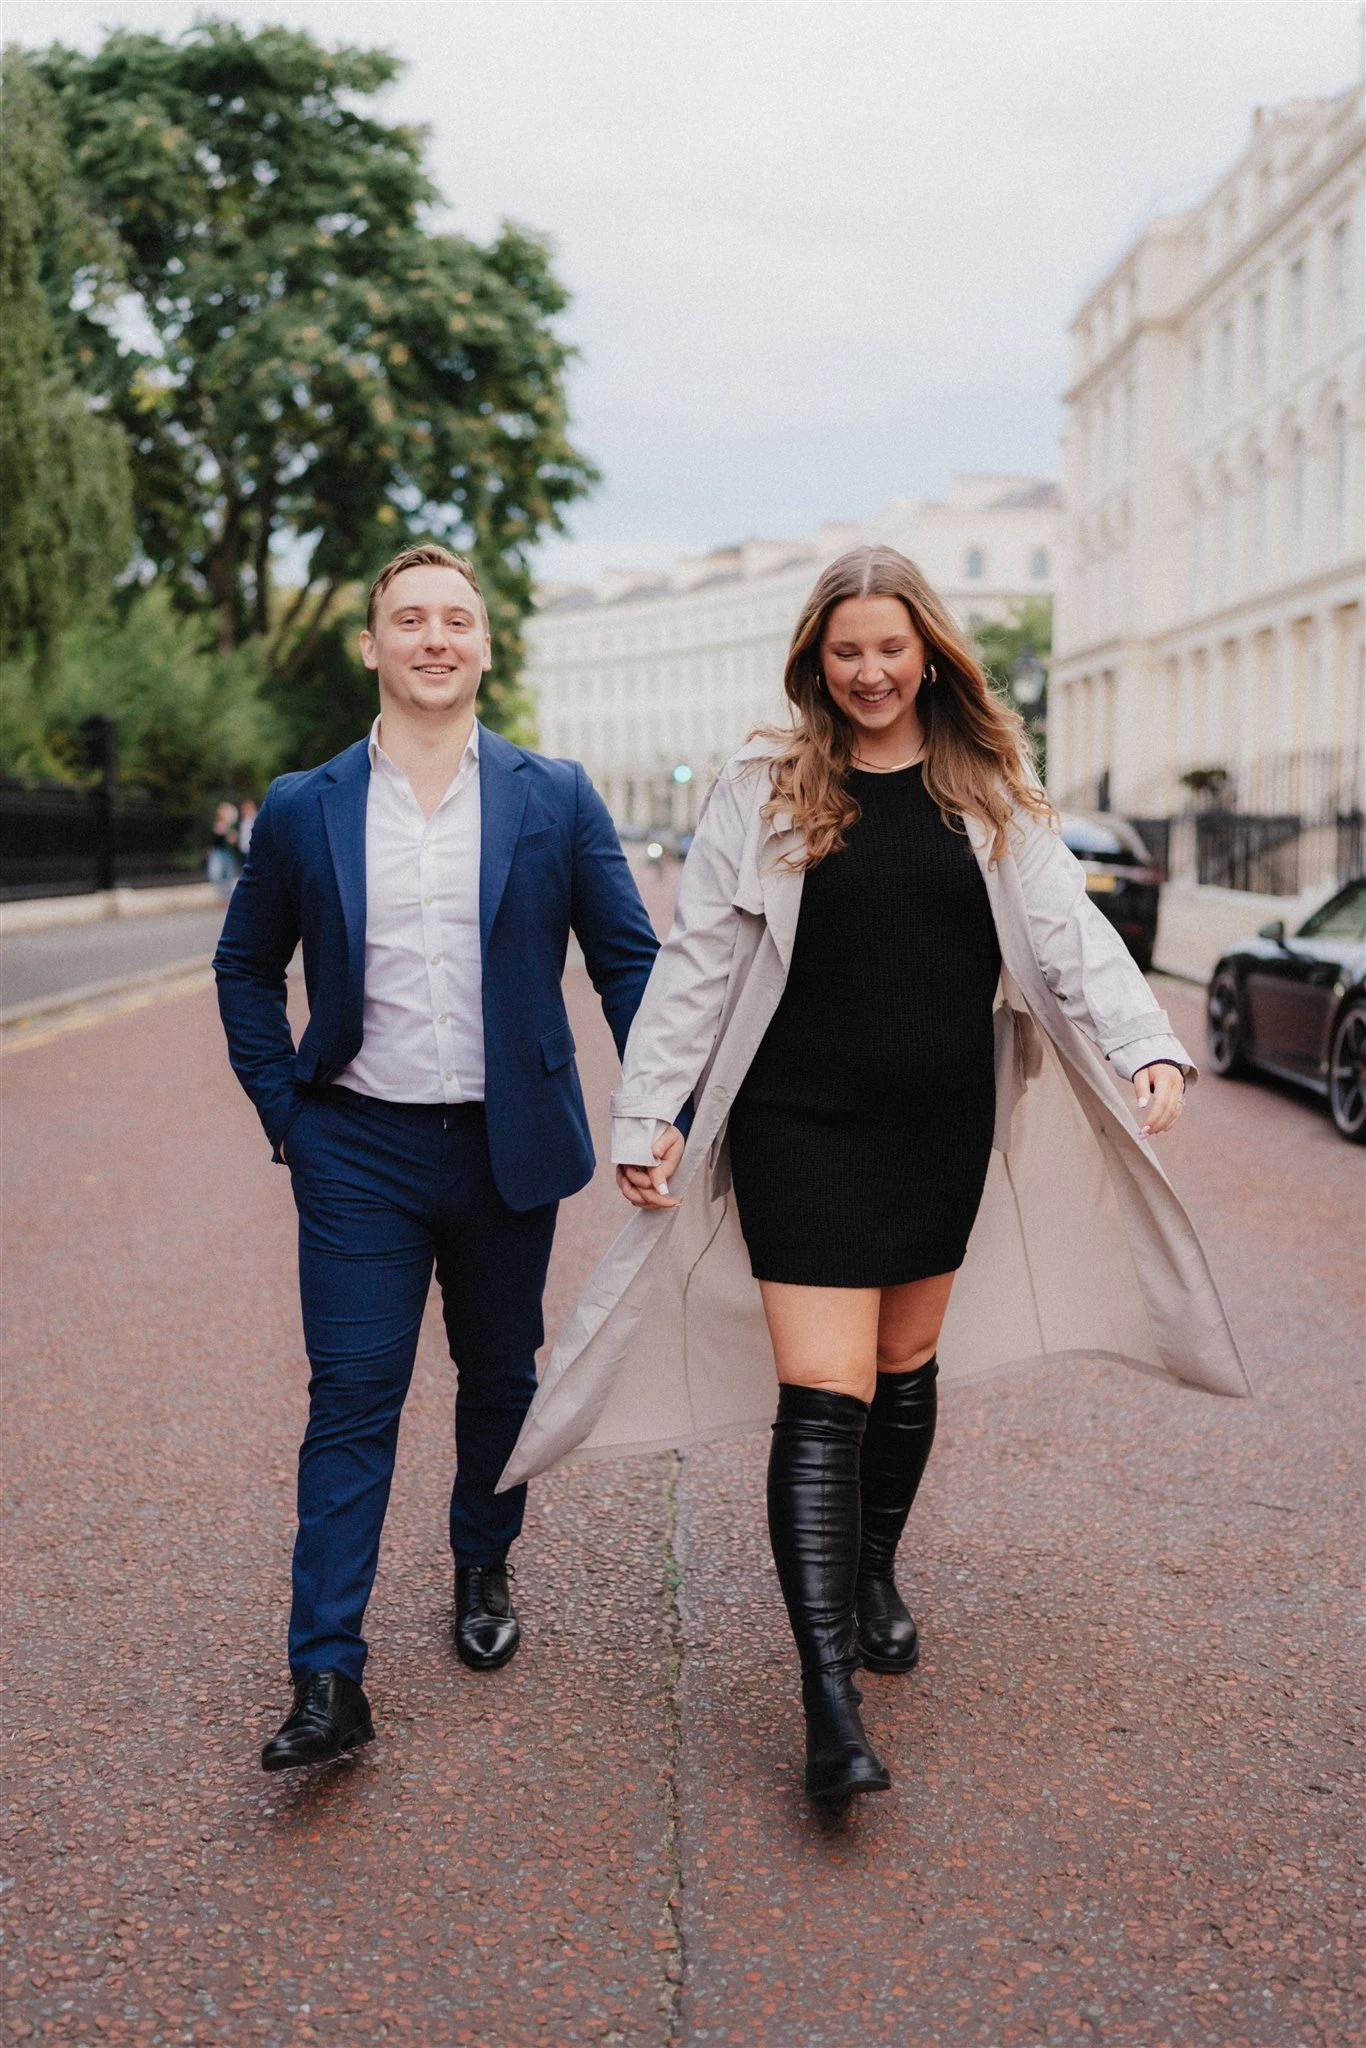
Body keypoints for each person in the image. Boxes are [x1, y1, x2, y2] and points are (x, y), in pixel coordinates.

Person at [500, 546, 1249, 1806]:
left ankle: (875, 1567)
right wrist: (650, 1110)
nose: (868, 671)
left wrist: (1149, 1045)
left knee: (905, 1371)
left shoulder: (987, 786)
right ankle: (825, 1697)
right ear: (814, 660)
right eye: (844, 651)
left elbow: (1069, 936)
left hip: (938, 1121)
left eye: (889, 648)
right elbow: (694, 962)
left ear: (929, 652)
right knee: (824, 1391)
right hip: (800, 1124)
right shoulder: (767, 784)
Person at [214, 544, 659, 1772]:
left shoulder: (553, 795)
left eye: (455, 618)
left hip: (505, 1146)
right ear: (370, 644)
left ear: (484, 643)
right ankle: (326, 1673)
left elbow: (627, 960)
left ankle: (481, 1557)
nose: (432, 637)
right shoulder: (307, 802)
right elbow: (246, 965)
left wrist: (660, 1102)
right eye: (408, 618)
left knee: (498, 1378)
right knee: (351, 1399)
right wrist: (284, 1110)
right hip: (354, 1143)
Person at [207, 801, 239, 902]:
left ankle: (227, 897)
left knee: (228, 874)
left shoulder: (231, 826)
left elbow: (234, 840)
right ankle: (220, 896)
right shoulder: (215, 824)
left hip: (227, 852)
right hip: (217, 852)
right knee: (216, 874)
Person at [236, 798, 258, 862]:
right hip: (243, 849)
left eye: (245, 809)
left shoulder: (257, 819)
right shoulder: (243, 821)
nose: (243, 811)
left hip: (253, 849)